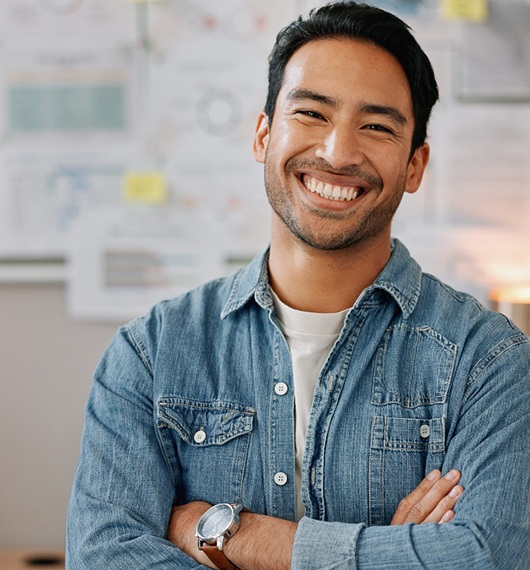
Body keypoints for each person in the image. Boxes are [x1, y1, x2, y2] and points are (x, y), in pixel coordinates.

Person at [66, 2, 530, 568]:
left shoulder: (489, 363)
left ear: (415, 165)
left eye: (378, 126)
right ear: (264, 135)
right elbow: (102, 557)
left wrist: (235, 538)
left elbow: (492, 557)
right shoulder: (152, 354)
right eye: (312, 113)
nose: (337, 152)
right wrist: (395, 553)